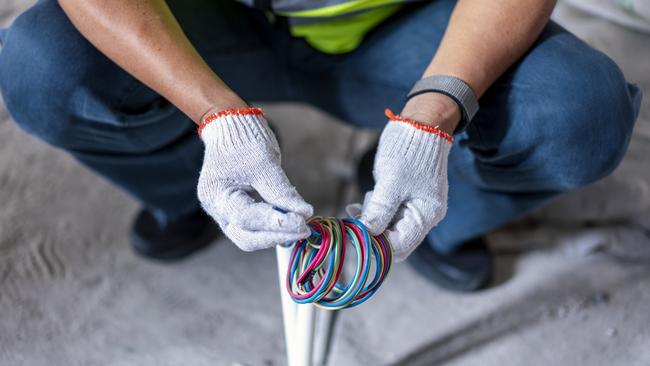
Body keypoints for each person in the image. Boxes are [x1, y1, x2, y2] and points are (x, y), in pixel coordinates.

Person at [0, 0, 642, 292]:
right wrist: (215, 115)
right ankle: (195, 179)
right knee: (42, 67)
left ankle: (426, 216)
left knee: (579, 113)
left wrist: (432, 119)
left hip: (415, 24)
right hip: (218, 19)